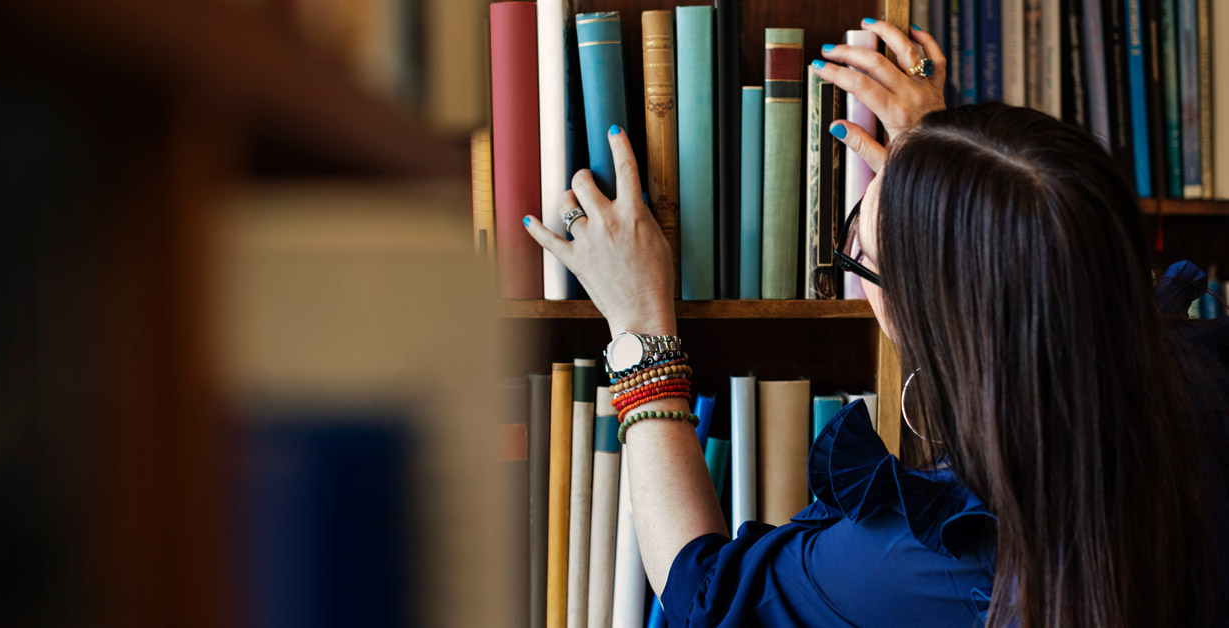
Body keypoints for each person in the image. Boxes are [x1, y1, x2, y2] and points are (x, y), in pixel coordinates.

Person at [523, 19, 1229, 628]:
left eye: (859, 252)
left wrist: (641, 326)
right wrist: (957, 188)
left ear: (925, 315)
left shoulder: (920, 559)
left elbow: (706, 599)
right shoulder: (1206, 370)